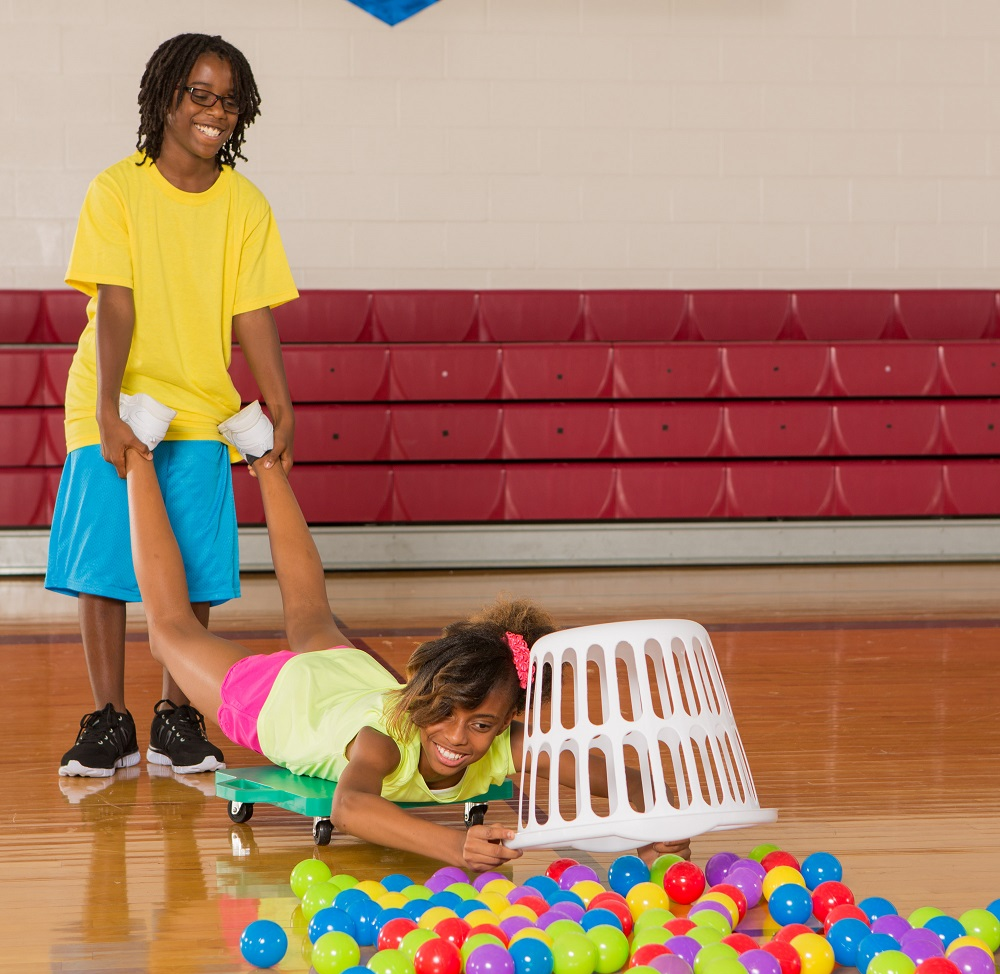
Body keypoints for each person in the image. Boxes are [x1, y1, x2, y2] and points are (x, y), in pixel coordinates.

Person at [121, 398, 692, 872]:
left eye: (483, 724)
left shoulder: (504, 745)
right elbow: (348, 807)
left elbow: (614, 775)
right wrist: (453, 847)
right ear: (426, 694)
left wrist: (660, 825)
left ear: (507, 722)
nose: (458, 737)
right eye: (447, 712)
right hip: (282, 701)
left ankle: (263, 454)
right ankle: (139, 451)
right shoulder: (386, 740)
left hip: (353, 681)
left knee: (310, 614)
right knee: (170, 629)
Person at [47, 32, 298, 778]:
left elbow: (253, 314)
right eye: (200, 94)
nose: (215, 112)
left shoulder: (245, 205)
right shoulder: (116, 189)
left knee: (188, 572)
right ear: (164, 98)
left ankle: (173, 716)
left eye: (229, 101)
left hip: (200, 410)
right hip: (113, 399)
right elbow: (115, 305)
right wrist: (109, 410)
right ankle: (109, 719)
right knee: (103, 569)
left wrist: (281, 405)